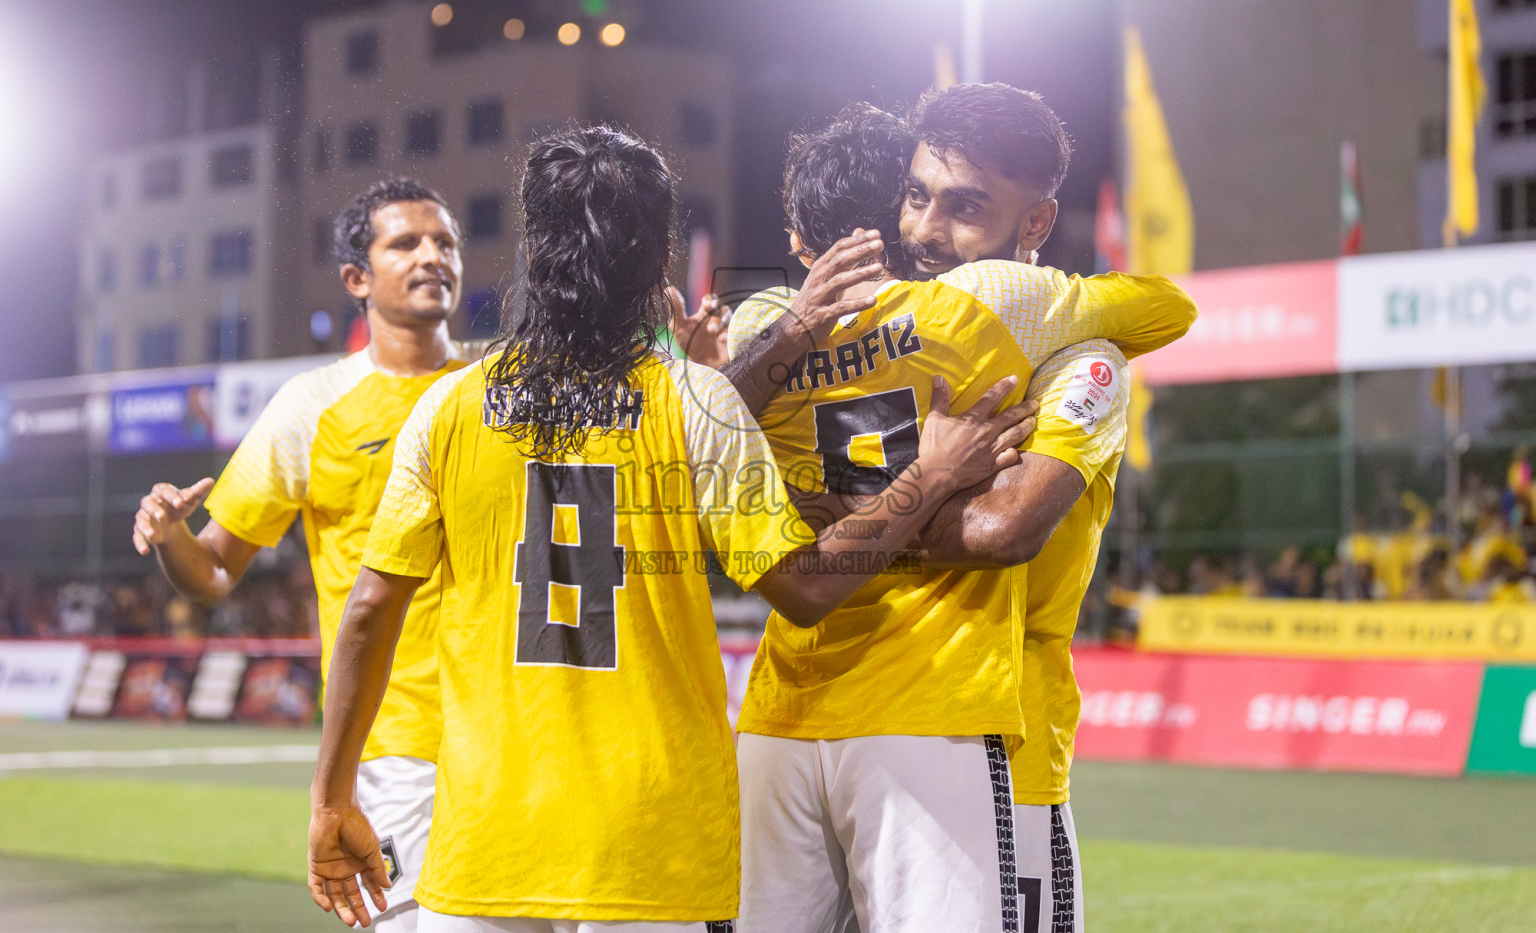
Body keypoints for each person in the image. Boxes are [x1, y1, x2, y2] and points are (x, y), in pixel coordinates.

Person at [304, 125, 1036, 932]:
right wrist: (928, 478)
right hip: (654, 839)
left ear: (534, 250)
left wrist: (332, 797)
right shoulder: (696, 401)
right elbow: (805, 589)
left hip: (487, 836)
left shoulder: (446, 407)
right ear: (659, 262)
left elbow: (369, 610)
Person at [719, 88, 1196, 933]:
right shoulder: (860, 331)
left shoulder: (1074, 361)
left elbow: (1006, 531)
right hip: (940, 723)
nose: (927, 231)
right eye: (915, 196)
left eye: (965, 207)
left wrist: (837, 522)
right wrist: (924, 485)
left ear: (1037, 223)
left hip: (988, 735)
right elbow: (1169, 306)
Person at [131, 178, 474, 932]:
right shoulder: (310, 406)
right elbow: (215, 571)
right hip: (394, 749)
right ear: (357, 278)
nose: (432, 256)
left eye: (445, 242)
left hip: (512, 729)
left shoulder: (498, 388)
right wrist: (170, 537)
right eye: (406, 243)